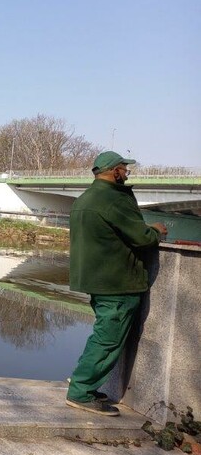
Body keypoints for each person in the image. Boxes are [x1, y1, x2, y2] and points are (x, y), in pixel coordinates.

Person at [65, 151, 167, 416]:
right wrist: (156, 230)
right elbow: (141, 237)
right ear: (114, 171)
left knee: (102, 335)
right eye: (125, 169)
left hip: (97, 280)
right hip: (117, 282)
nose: (127, 173)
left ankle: (82, 381)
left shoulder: (85, 199)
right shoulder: (112, 199)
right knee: (108, 340)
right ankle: (81, 391)